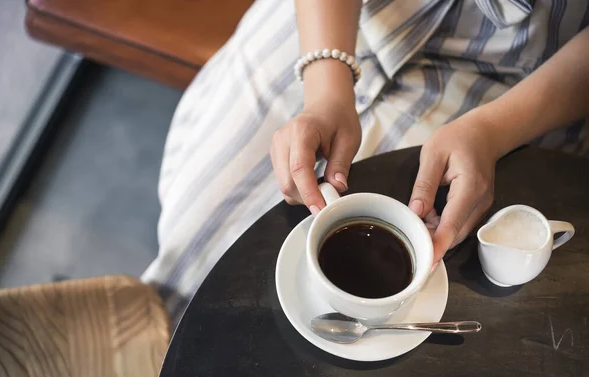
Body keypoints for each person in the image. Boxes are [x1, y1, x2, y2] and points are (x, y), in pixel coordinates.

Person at [141, 0, 589, 320]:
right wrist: (324, 89)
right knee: (193, 229)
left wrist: (492, 132)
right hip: (334, 23)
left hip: (522, 79)